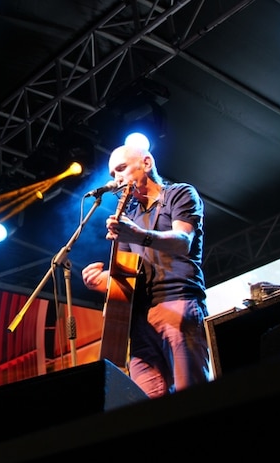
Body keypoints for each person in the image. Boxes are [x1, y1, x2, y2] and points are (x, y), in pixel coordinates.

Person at [81, 144, 211, 398]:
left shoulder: (179, 194)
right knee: (144, 409)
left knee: (193, 400)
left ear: (147, 163)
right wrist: (100, 280)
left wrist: (140, 236)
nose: (116, 179)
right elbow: (131, 272)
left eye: (121, 169)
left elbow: (183, 241)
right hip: (139, 320)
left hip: (177, 302)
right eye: (112, 174)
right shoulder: (129, 216)